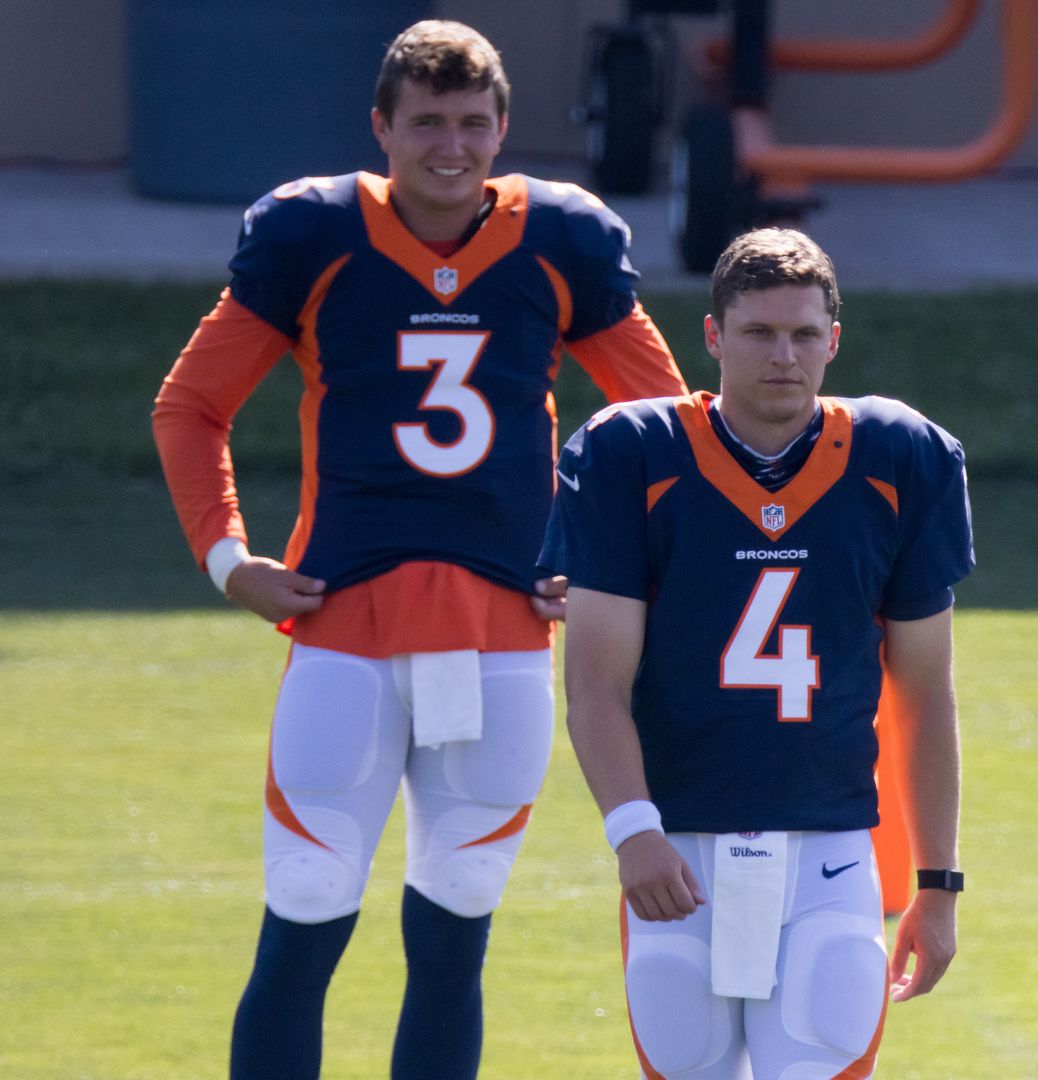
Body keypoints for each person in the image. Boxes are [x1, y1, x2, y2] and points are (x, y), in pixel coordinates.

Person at [150, 21, 686, 1079]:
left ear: (504, 129)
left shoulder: (561, 238)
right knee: (302, 925)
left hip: (499, 647)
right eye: (427, 123)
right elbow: (191, 405)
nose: (452, 145)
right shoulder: (314, 232)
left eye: (473, 123)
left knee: (452, 944)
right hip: (343, 632)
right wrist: (228, 558)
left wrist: (608, 557)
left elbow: (664, 428)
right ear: (381, 128)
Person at [541, 227, 972, 1079]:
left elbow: (925, 695)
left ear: (834, 341)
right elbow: (595, 683)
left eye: (805, 335)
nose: (785, 356)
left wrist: (939, 881)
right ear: (712, 337)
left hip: (832, 850)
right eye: (759, 333)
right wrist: (633, 832)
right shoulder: (635, 453)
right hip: (678, 852)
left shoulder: (900, 456)